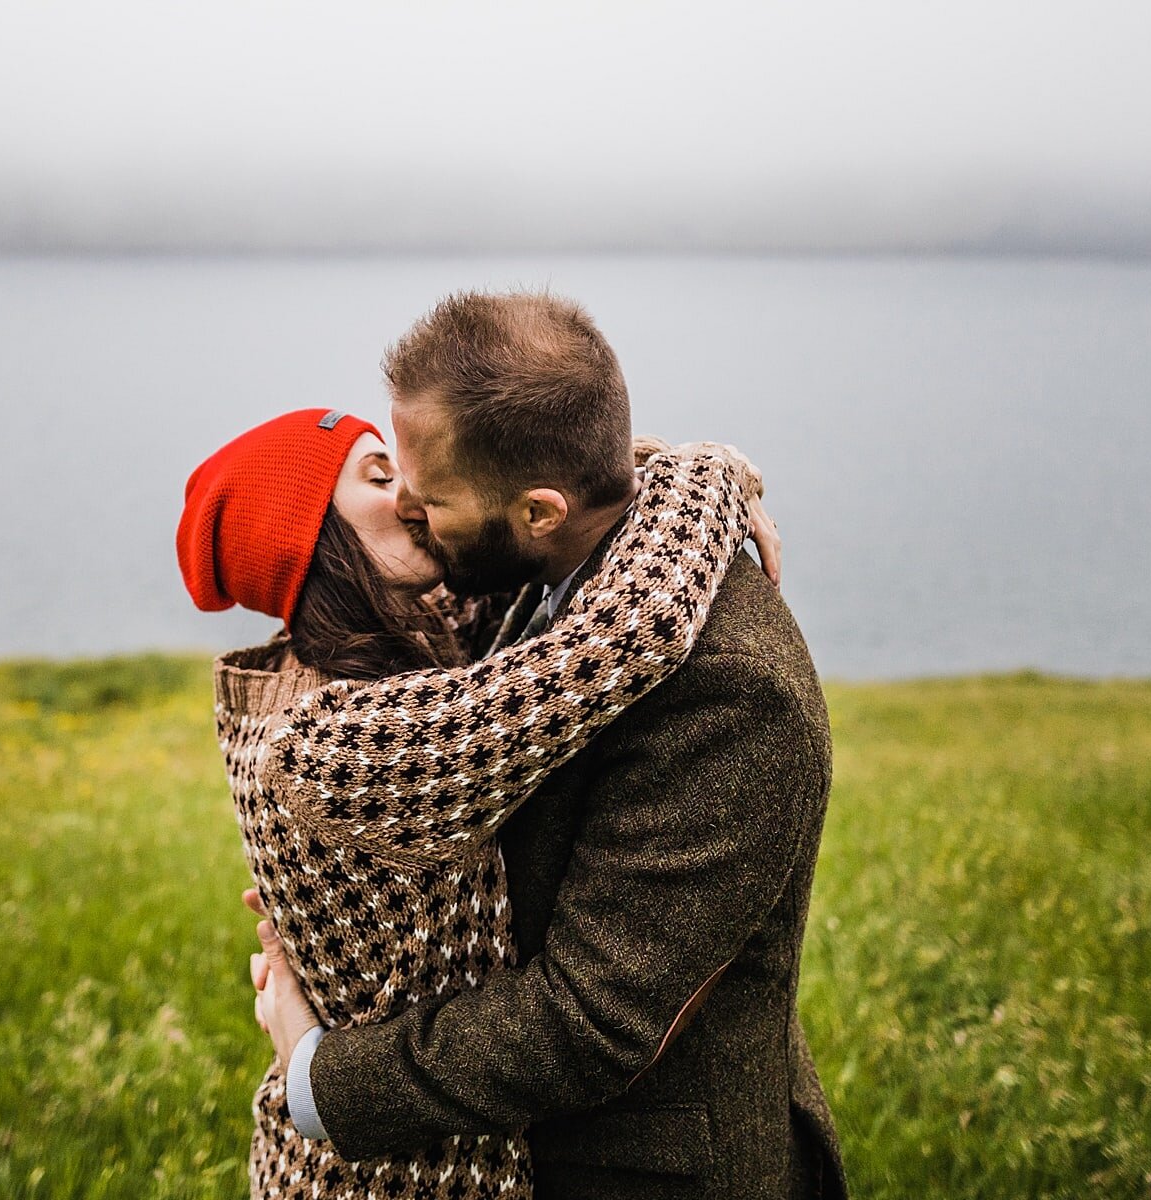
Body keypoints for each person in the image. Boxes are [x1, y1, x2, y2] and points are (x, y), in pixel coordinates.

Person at [250, 291, 848, 1198]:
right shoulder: (538, 576)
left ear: (538, 510)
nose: (410, 510)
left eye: (433, 496)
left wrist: (323, 1078)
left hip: (646, 1172)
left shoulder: (731, 690)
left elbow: (591, 1017)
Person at [177, 405, 768, 1197]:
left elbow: (526, 499)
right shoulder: (335, 742)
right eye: (380, 477)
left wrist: (636, 463)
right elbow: (630, 633)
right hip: (385, 1180)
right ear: (310, 539)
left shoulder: (379, 648)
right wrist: (712, 474)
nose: (414, 492)